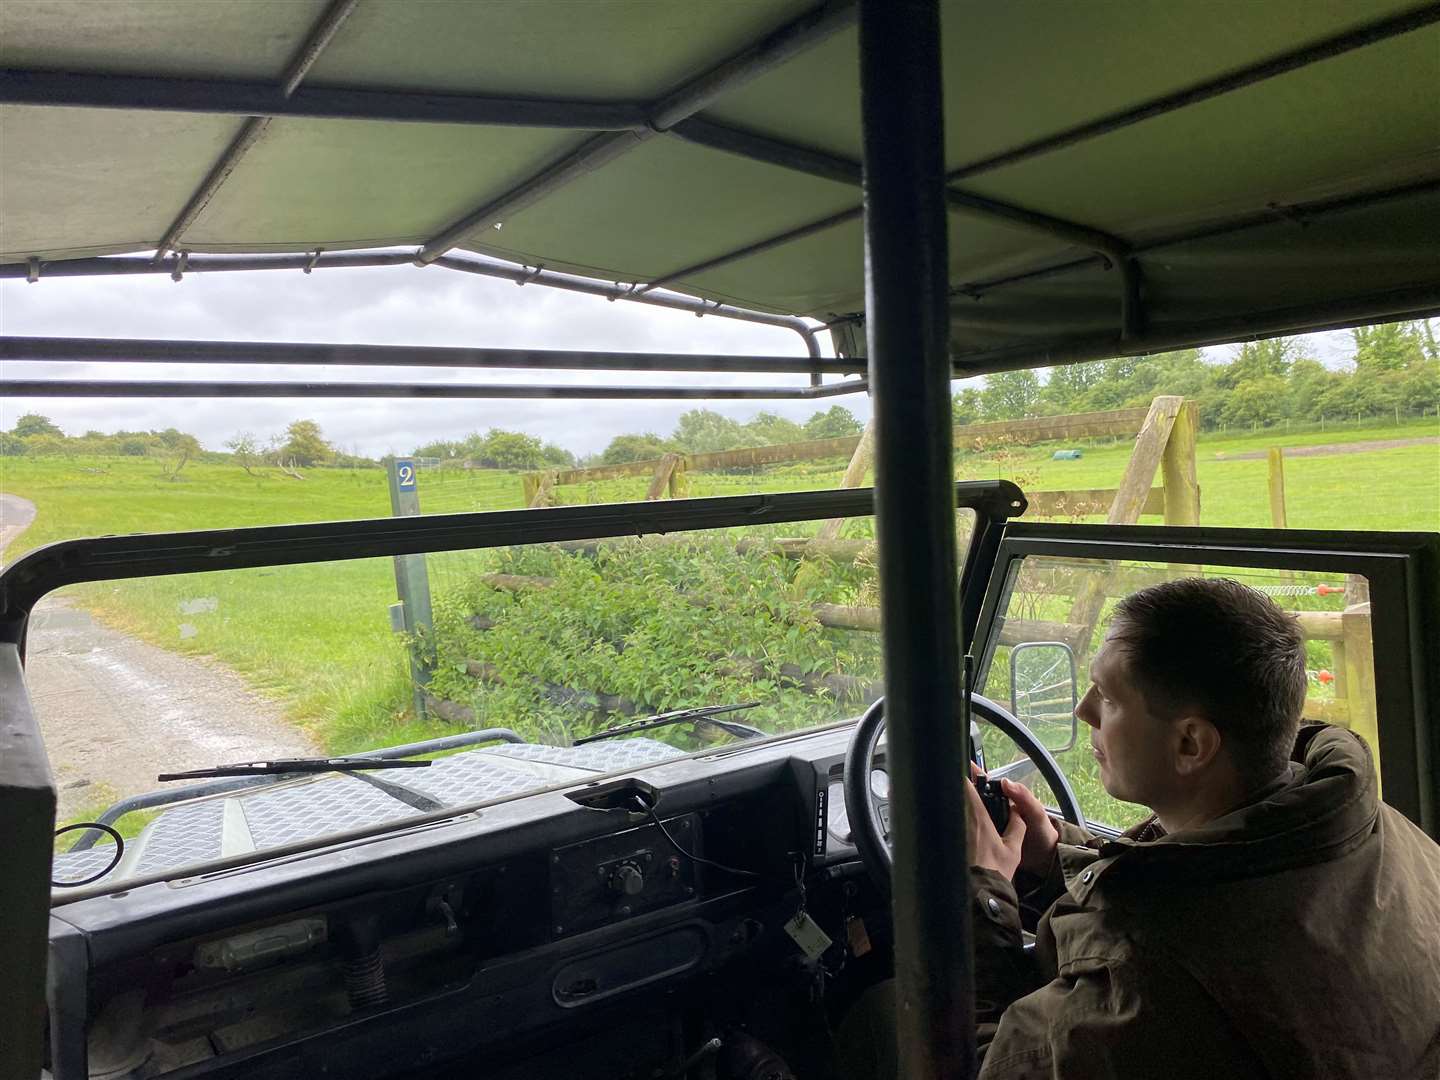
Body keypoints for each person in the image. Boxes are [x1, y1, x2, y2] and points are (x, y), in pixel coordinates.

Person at [958, 577, 1440, 1079]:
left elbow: (984, 1068)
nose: (1084, 711)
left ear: (1191, 744)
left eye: (1109, 697)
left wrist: (983, 896)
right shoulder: (1367, 825)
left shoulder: (1141, 981)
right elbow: (1208, 880)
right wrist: (1058, 854)